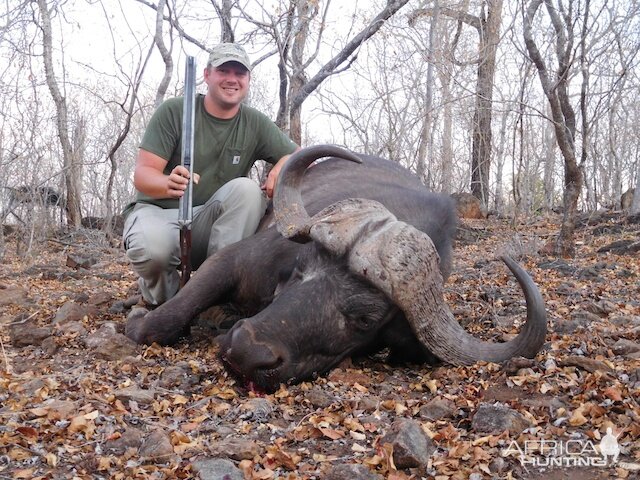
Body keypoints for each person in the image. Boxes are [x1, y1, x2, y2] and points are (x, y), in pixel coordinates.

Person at [122, 43, 299, 307]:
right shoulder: (173, 111)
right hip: (159, 212)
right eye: (223, 71)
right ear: (207, 75)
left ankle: (216, 299)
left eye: (239, 73)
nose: (231, 79)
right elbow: (143, 174)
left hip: (209, 221)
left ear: (248, 80)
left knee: (248, 190)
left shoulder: (254, 122)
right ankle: (160, 302)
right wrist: (167, 182)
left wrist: (280, 169)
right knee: (152, 252)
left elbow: (296, 154)